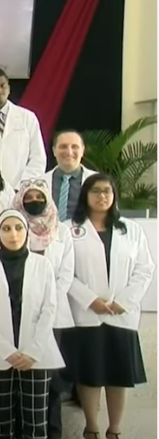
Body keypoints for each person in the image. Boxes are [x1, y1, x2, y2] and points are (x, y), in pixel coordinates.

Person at [66, 173, 154, 439]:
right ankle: (91, 426)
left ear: (114, 196)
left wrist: (124, 301)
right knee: (89, 373)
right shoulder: (69, 228)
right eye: (95, 191)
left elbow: (145, 269)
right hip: (86, 313)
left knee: (118, 375)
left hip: (121, 314)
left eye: (107, 191)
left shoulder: (131, 229)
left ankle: (114, 428)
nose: (102, 196)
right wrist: (89, 300)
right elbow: (64, 271)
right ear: (85, 195)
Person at [0, 210, 65, 439]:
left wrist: (33, 350)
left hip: (37, 353)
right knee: (1, 423)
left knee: (35, 423)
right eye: (6, 228)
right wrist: (6, 351)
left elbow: (49, 308)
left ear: (27, 232)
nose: (13, 234)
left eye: (18, 228)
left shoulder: (42, 264)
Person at [11, 179, 76, 439]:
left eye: (40, 196)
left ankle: (54, 433)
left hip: (54, 316)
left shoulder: (61, 230)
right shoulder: (13, 228)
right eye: (29, 197)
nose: (35, 201)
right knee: (21, 377)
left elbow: (66, 273)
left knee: (51, 382)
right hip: (18, 315)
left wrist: (49, 303)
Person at [39, 130, 97, 222]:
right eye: (63, 147)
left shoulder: (97, 181)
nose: (69, 152)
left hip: (86, 234)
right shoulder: (38, 182)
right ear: (54, 151)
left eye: (75, 147)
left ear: (82, 151)